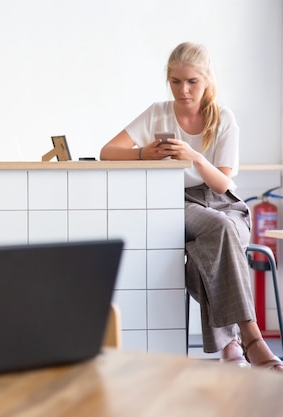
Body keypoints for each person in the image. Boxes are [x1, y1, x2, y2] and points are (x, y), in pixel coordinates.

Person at [100, 41, 282, 371]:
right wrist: (145, 153)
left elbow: (224, 184)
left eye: (191, 82)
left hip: (224, 203)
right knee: (220, 231)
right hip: (179, 204)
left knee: (206, 250)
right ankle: (252, 339)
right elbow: (108, 151)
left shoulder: (224, 118)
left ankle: (229, 346)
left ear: (207, 80)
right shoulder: (157, 112)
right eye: (175, 81)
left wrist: (194, 156)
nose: (183, 90)